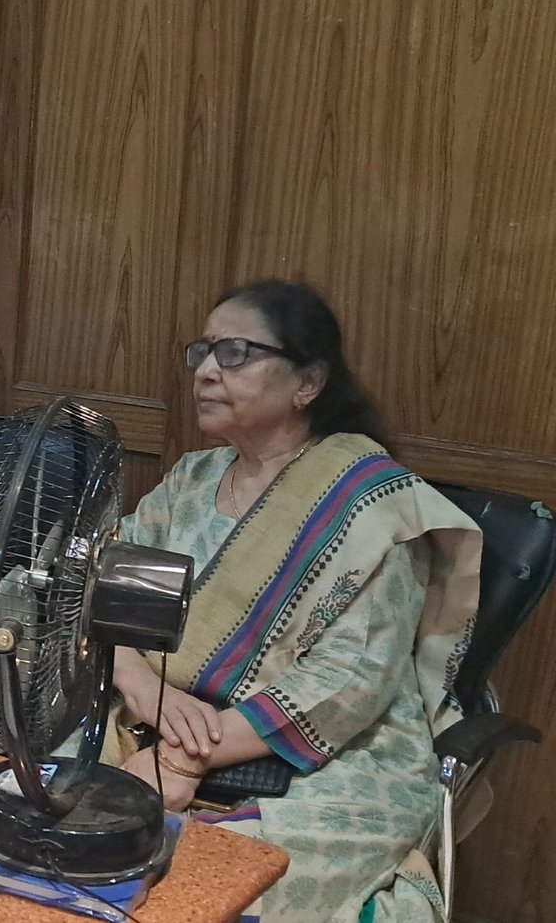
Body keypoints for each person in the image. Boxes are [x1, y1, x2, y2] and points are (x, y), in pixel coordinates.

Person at [110, 280, 479, 922]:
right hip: (153, 715)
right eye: (202, 351)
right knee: (47, 814)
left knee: (206, 874)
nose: (206, 371)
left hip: (335, 755)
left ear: (307, 382)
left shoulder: (369, 503)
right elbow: (106, 595)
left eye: (235, 353)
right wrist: (143, 688)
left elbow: (351, 680)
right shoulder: (190, 480)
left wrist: (182, 755)